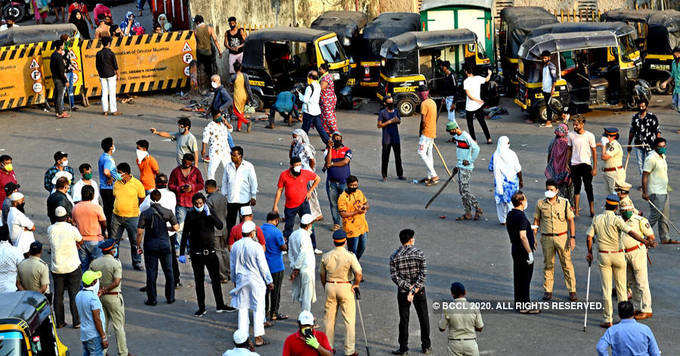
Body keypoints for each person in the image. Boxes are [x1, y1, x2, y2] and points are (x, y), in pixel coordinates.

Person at [586, 195, 647, 328]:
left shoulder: (597, 219)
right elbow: (631, 232)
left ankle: (608, 319)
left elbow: (589, 237)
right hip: (618, 255)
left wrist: (589, 252)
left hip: (604, 256)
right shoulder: (617, 219)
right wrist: (645, 241)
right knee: (621, 289)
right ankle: (625, 318)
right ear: (616, 207)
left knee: (606, 289)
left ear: (606, 205)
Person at [179, 193, 228, 316]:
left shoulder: (209, 212)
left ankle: (220, 304)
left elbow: (220, 225)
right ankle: (201, 307)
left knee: (216, 280)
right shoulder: (190, 215)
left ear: (204, 203)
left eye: (200, 203)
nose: (198, 206)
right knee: (199, 282)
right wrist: (181, 253)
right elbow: (185, 234)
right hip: (197, 255)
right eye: (196, 204)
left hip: (210, 253)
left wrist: (210, 215)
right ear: (193, 204)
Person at [230, 221, 274, 347]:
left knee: (242, 308)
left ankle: (243, 337)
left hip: (241, 280)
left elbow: (232, 266)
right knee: (258, 307)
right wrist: (269, 281)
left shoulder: (236, 246)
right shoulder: (256, 247)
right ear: (252, 233)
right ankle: (258, 337)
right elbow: (263, 266)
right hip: (256, 281)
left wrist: (234, 279)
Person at [532, 179, 577, 301]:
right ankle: (548, 291)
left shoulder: (565, 203)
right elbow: (536, 221)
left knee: (567, 264)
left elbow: (571, 220)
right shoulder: (540, 204)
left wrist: (572, 238)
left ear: (557, 191)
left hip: (562, 238)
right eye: (547, 189)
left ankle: (572, 291)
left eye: (551, 190)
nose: (549, 191)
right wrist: (533, 237)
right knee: (548, 265)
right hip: (546, 238)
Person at [320, 230, 362, 356]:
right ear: (345, 241)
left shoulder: (326, 256)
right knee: (349, 320)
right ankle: (349, 350)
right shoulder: (350, 256)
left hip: (330, 285)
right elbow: (358, 273)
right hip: (345, 286)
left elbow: (322, 274)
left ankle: (328, 348)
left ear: (334, 241)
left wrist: (325, 286)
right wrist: (356, 284)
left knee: (329, 320)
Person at [89, 239, 133, 356]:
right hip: (113, 297)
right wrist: (106, 289)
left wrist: (100, 290)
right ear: (112, 250)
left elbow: (89, 279)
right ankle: (123, 352)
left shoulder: (95, 263)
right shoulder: (116, 263)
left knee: (103, 325)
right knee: (119, 326)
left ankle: (102, 352)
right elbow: (116, 281)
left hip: (99, 297)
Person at [390, 229, 431, 355]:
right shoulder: (419, 253)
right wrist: (414, 289)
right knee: (423, 317)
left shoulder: (395, 256)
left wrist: (408, 289)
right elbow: (423, 274)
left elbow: (395, 277)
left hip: (403, 292)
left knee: (404, 319)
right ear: (411, 240)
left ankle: (403, 348)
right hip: (419, 291)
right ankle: (426, 346)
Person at [137, 190, 179, 305]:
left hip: (150, 245)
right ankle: (170, 297)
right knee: (168, 271)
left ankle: (152, 299)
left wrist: (138, 245)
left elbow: (140, 232)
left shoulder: (145, 213)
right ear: (160, 198)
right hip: (165, 244)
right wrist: (167, 229)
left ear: (150, 198)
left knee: (151, 272)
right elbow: (176, 228)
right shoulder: (167, 212)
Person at [139, 174, 181, 287]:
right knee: (171, 260)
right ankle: (175, 282)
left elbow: (140, 210)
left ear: (156, 183)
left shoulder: (150, 197)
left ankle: (151, 286)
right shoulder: (172, 195)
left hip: (154, 232)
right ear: (166, 183)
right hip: (169, 232)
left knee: (152, 264)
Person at [48, 206, 83, 328]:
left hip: (57, 267)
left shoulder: (51, 229)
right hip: (72, 265)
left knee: (58, 295)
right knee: (74, 294)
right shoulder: (71, 228)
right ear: (66, 217)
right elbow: (80, 240)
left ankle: (60, 321)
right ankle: (77, 321)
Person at [620, 203, 655, 320]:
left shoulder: (639, 220)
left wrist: (647, 247)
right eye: (624, 210)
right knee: (631, 281)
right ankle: (636, 307)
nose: (626, 211)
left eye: (628, 209)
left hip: (637, 252)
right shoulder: (618, 220)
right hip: (624, 254)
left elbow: (651, 236)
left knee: (641, 282)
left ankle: (646, 309)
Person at [273, 157, 321, 239]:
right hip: (290, 206)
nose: (299, 167)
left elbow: (317, 178)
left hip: (304, 203)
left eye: (300, 165)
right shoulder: (284, 175)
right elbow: (280, 190)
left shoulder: (305, 173)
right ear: (291, 165)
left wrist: (310, 191)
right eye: (296, 165)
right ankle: (287, 246)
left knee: (309, 224)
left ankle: (313, 246)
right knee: (288, 226)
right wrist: (275, 205)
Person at [505, 191, 538, 312]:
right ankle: (525, 305)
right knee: (525, 278)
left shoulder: (510, 214)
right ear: (521, 202)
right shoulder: (522, 217)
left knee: (518, 277)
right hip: (523, 251)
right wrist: (529, 252)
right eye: (525, 199)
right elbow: (523, 236)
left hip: (514, 248)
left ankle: (519, 303)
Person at [642, 137, 678, 244]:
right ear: (655, 147)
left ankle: (665, 238)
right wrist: (644, 192)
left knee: (664, 216)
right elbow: (645, 175)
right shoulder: (651, 158)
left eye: (664, 146)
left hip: (664, 190)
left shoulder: (662, 156)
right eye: (660, 146)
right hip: (655, 191)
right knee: (654, 216)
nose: (662, 148)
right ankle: (642, 236)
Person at [111, 163, 146, 270]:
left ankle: (137, 262)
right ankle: (114, 261)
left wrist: (135, 207)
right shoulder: (116, 183)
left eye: (119, 173)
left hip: (133, 217)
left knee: (135, 242)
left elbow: (142, 197)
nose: (117, 174)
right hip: (117, 216)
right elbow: (115, 196)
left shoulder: (137, 184)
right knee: (114, 241)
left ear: (126, 174)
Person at [446, 122, 482, 221]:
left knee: (465, 191)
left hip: (467, 167)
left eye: (450, 131)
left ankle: (477, 208)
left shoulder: (465, 136)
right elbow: (460, 153)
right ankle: (468, 213)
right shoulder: (457, 137)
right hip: (461, 166)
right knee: (462, 191)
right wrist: (457, 165)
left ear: (454, 129)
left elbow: (476, 148)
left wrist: (470, 160)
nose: (450, 133)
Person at [596, 301, 661, 356]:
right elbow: (655, 353)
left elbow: (600, 348)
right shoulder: (645, 329)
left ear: (619, 314)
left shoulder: (612, 330)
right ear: (633, 313)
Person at [438, 282, 484, 356]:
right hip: (470, 343)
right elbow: (480, 328)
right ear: (465, 292)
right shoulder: (474, 307)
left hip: (454, 344)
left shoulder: (448, 308)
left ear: (452, 294)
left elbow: (442, 328)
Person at [290, 129, 323, 231]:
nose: (294, 139)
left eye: (296, 137)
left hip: (306, 172)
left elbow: (312, 160)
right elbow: (292, 158)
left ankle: (317, 213)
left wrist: (311, 171)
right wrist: (291, 148)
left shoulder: (305, 147)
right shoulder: (296, 146)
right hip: (297, 173)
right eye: (293, 137)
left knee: (311, 193)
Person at [221, 146, 257, 233]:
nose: (231, 157)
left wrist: (253, 196)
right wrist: (224, 195)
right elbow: (224, 182)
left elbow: (253, 181)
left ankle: (243, 239)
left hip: (244, 199)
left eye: (234, 155)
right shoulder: (228, 166)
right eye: (231, 155)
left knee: (244, 223)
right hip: (231, 199)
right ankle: (231, 240)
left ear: (240, 156)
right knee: (230, 222)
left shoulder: (248, 166)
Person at [567, 115, 597, 217]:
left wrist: (595, 167)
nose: (574, 126)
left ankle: (592, 209)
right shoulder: (570, 135)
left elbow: (594, 151)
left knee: (588, 187)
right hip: (574, 164)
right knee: (577, 188)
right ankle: (576, 211)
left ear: (582, 124)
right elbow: (569, 149)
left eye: (576, 124)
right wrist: (567, 163)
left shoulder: (589, 135)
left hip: (586, 164)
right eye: (574, 124)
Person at [169, 153, 204, 238]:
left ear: (191, 163)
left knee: (193, 228)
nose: (186, 165)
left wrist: (192, 188)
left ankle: (191, 248)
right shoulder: (176, 171)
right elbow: (170, 185)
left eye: (188, 164)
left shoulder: (196, 171)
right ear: (182, 161)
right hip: (181, 204)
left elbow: (201, 184)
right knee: (180, 228)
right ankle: (178, 249)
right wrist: (179, 188)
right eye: (185, 163)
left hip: (193, 204)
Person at [489, 136, 523, 224]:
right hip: (512, 183)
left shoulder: (495, 155)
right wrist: (521, 180)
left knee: (500, 202)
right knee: (512, 201)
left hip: (500, 183)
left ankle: (502, 220)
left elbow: (491, 168)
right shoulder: (512, 154)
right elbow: (518, 169)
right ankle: (512, 219)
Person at [72, 185, 107, 272]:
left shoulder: (75, 208)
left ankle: (84, 285)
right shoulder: (97, 208)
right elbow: (104, 223)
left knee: (83, 266)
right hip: (95, 240)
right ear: (93, 195)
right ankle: (96, 284)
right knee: (98, 267)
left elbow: (73, 223)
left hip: (81, 241)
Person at [262, 212, 287, 323]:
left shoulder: (260, 229)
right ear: (276, 220)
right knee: (276, 291)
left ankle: (265, 311)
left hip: (264, 266)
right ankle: (274, 313)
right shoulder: (276, 232)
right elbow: (283, 247)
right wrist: (285, 243)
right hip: (276, 266)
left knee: (265, 291)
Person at [75, 270, 108, 356]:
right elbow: (97, 320)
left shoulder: (79, 295)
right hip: (94, 336)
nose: (98, 282)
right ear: (93, 283)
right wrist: (103, 337)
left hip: (85, 335)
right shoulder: (93, 298)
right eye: (97, 280)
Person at [288, 214, 317, 312]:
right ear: (308, 225)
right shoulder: (305, 237)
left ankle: (304, 315)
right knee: (307, 296)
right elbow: (303, 253)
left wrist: (293, 266)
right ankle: (306, 318)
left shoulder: (293, 234)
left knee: (302, 294)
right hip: (305, 269)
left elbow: (290, 253)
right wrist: (296, 268)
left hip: (298, 268)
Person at [324, 132, 352, 232]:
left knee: (345, 203)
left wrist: (332, 164)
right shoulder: (328, 150)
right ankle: (336, 223)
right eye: (335, 138)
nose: (337, 140)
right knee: (333, 203)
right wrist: (330, 149)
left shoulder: (347, 150)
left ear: (342, 139)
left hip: (344, 182)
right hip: (332, 183)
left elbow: (345, 162)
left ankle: (346, 222)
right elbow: (327, 163)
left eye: (339, 138)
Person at [337, 175, 369, 259]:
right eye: (352, 185)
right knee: (352, 250)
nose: (354, 187)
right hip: (351, 229)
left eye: (355, 185)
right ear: (347, 185)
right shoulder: (342, 197)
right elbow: (343, 214)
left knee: (363, 247)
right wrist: (357, 212)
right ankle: (353, 265)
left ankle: (355, 262)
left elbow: (366, 203)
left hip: (362, 226)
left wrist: (365, 208)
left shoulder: (359, 192)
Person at [627, 98, 660, 179]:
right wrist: (629, 144)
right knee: (641, 164)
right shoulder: (635, 118)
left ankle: (652, 182)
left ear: (646, 107)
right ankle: (643, 183)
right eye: (640, 107)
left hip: (651, 145)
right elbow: (632, 132)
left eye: (643, 107)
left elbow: (657, 132)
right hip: (639, 144)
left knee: (651, 163)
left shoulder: (652, 117)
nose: (641, 109)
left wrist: (659, 145)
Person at [203, 100, 235, 180]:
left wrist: (226, 122)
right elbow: (205, 139)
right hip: (215, 151)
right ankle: (211, 184)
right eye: (217, 117)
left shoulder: (223, 125)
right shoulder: (209, 126)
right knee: (212, 170)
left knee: (229, 169)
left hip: (225, 150)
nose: (219, 118)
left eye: (220, 116)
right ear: (213, 117)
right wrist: (203, 150)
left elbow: (231, 130)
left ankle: (230, 184)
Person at [205, 180, 230, 282]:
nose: (205, 189)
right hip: (224, 228)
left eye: (206, 187)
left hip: (214, 230)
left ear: (210, 188)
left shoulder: (209, 200)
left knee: (217, 252)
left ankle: (222, 276)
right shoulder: (223, 198)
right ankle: (228, 272)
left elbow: (208, 216)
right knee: (224, 250)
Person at [463, 65, 492, 143]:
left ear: (466, 72)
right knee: (482, 122)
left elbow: (469, 95)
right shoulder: (478, 78)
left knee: (470, 124)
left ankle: (474, 140)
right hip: (478, 106)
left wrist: (477, 100)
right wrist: (489, 73)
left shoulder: (466, 81)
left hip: (469, 107)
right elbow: (487, 79)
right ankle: (489, 139)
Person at [377, 96, 404, 180]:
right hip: (386, 138)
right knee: (385, 157)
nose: (391, 104)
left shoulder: (396, 111)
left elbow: (399, 121)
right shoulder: (382, 112)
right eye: (389, 102)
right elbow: (379, 125)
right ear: (385, 103)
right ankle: (384, 175)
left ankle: (400, 174)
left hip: (395, 137)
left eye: (392, 102)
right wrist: (390, 121)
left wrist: (397, 120)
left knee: (398, 157)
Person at [416, 85, 438, 186]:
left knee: (421, 152)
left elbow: (423, 120)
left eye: (419, 93)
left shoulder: (424, 104)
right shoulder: (432, 102)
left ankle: (434, 175)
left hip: (426, 132)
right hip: (432, 131)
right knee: (429, 153)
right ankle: (429, 176)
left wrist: (421, 132)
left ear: (421, 93)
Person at [545, 123, 573, 204]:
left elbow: (549, 155)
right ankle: (569, 206)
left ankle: (553, 203)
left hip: (554, 170)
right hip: (565, 170)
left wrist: (548, 165)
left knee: (554, 188)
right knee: (567, 190)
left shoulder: (553, 142)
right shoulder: (568, 143)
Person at [300, 71, 330, 144]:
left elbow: (305, 100)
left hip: (309, 111)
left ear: (310, 77)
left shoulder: (309, 87)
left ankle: (302, 144)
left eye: (308, 77)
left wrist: (300, 96)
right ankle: (329, 143)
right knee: (320, 129)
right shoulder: (318, 85)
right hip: (316, 111)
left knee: (304, 130)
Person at [193, 15, 222, 87]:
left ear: (198, 22)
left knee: (201, 70)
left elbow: (194, 43)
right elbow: (215, 40)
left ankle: (202, 86)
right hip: (209, 52)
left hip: (200, 53)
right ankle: (213, 86)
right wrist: (220, 51)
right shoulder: (209, 28)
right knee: (211, 70)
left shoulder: (195, 31)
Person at [98, 137, 118, 232]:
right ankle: (111, 233)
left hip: (103, 188)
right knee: (111, 212)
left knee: (107, 210)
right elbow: (106, 172)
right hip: (109, 188)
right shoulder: (108, 160)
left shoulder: (103, 156)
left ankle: (106, 231)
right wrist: (110, 177)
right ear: (111, 147)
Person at [96, 37, 120, 116]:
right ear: (109, 43)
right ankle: (113, 110)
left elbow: (97, 65)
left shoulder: (98, 53)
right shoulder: (111, 53)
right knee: (112, 92)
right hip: (111, 74)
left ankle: (105, 110)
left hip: (102, 75)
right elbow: (115, 65)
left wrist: (100, 73)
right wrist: (118, 74)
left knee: (104, 92)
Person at [600, 128, 625, 195]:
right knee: (610, 196)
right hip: (609, 173)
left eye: (607, 136)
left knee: (617, 196)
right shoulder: (610, 144)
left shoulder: (614, 146)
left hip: (614, 174)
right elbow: (597, 145)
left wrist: (603, 145)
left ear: (613, 137)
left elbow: (604, 157)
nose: (605, 137)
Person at [231, 61, 254, 132]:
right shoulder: (245, 75)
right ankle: (239, 127)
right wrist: (251, 98)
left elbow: (231, 87)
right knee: (241, 111)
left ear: (234, 68)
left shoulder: (233, 76)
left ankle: (247, 122)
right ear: (240, 68)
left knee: (235, 111)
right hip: (244, 95)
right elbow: (248, 87)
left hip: (237, 96)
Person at [539, 50, 558, 127]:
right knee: (548, 105)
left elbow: (554, 79)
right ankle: (562, 116)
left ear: (549, 58)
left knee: (549, 106)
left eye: (545, 58)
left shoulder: (551, 66)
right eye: (543, 58)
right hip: (545, 89)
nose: (544, 59)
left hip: (549, 89)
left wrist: (552, 89)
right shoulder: (544, 66)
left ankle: (549, 122)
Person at [318, 63, 338, 135]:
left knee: (328, 115)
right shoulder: (326, 76)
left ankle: (334, 131)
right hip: (327, 99)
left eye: (320, 69)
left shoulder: (325, 78)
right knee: (324, 116)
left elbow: (322, 87)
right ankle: (328, 131)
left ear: (324, 70)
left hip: (327, 100)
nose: (319, 70)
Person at [661, 46, 680, 112]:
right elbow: (672, 76)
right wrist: (665, 83)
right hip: (677, 90)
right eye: (675, 55)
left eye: (678, 54)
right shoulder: (674, 63)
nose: (676, 56)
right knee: (677, 108)